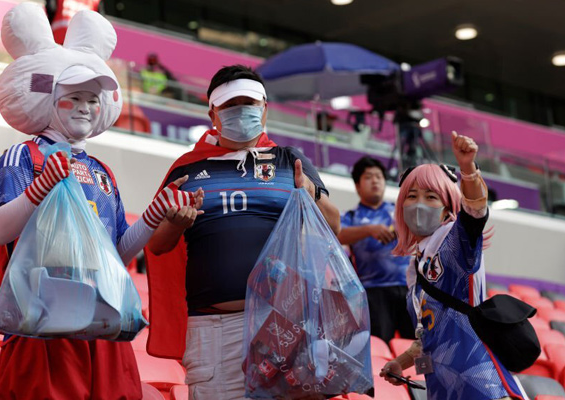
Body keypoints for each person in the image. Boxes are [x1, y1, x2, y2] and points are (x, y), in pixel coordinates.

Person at [0, 5, 202, 399]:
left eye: (92, 98)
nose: (85, 106)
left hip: (102, 324)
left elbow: (117, 250)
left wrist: (156, 213)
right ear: (48, 99)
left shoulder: (101, 171)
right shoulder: (24, 157)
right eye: (73, 97)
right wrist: (39, 188)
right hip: (44, 324)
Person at [145, 64, 341, 399]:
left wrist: (310, 193)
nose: (242, 112)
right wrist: (175, 224)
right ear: (213, 113)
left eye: (250, 104)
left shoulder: (289, 160)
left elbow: (333, 227)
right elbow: (157, 246)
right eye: (231, 105)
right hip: (215, 331)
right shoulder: (187, 167)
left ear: (264, 110)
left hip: (285, 325)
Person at [379, 132, 525, 400]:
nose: (419, 204)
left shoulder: (456, 241)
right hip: (442, 390)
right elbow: (429, 337)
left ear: (448, 210)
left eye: (431, 197)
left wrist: (468, 169)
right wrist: (400, 363)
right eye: (411, 196)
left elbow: (475, 211)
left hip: (483, 385)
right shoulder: (416, 266)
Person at [338, 156, 413, 342]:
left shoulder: (400, 211)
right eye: (368, 177)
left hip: (408, 287)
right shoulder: (352, 216)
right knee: (379, 344)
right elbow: (338, 235)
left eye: (379, 176)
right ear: (357, 185)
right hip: (373, 292)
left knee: (417, 345)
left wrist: (403, 228)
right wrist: (369, 230)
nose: (375, 181)